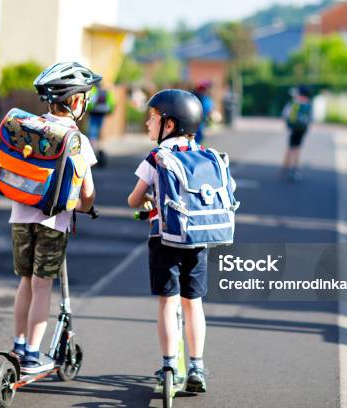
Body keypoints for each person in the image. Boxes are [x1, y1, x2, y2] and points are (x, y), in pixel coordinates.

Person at [9, 62, 99, 374]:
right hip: (53, 222)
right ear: (76, 102)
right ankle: (33, 354)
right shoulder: (77, 140)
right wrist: (87, 207)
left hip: (20, 215)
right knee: (42, 286)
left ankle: (18, 344)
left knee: (25, 282)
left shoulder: (28, 128)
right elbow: (88, 193)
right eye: (85, 97)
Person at [127, 89, 208, 393]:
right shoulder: (203, 153)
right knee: (193, 303)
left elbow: (134, 198)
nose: (148, 123)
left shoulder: (157, 156)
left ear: (169, 125)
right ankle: (198, 366)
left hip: (166, 238)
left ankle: (170, 364)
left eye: (153, 118)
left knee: (168, 300)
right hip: (198, 238)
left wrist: (149, 199)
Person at [281, 85, 312, 182]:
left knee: (291, 147)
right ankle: (294, 169)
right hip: (302, 129)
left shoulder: (295, 102)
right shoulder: (308, 103)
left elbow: (285, 113)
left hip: (293, 128)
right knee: (297, 148)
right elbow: (311, 118)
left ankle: (286, 168)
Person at [87, 82, 115, 167]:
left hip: (93, 113)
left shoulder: (92, 91)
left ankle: (93, 153)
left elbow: (89, 103)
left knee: (92, 133)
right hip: (102, 113)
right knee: (99, 132)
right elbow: (111, 103)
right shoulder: (105, 91)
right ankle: (100, 150)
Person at [193, 80, 214, 144]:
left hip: (200, 121)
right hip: (197, 121)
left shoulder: (206, 99)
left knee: (198, 136)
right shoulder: (203, 98)